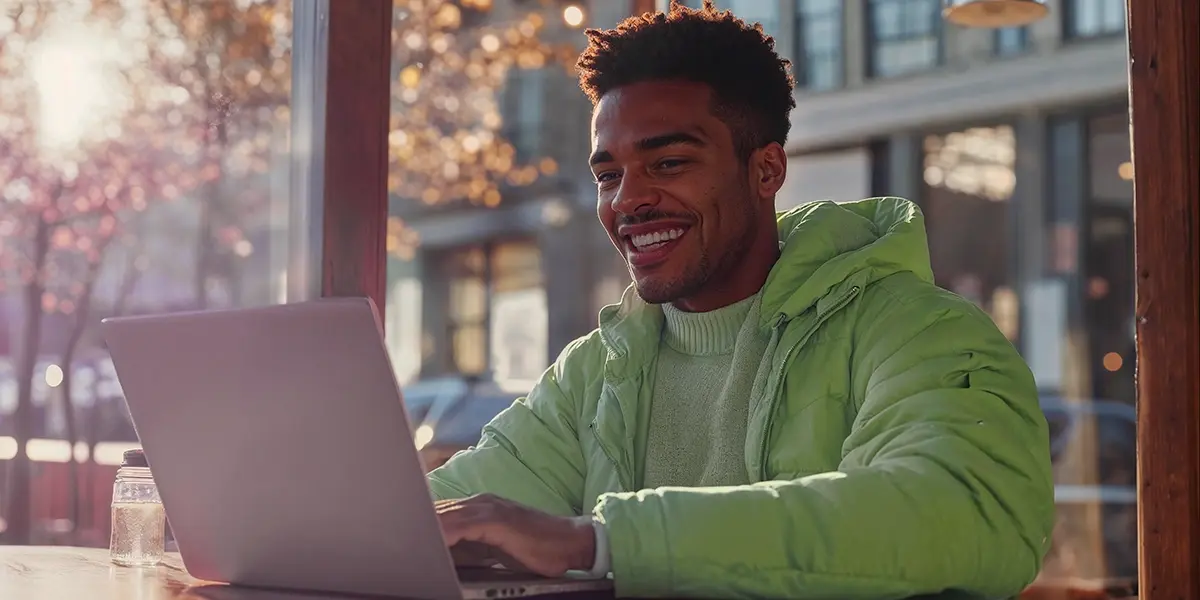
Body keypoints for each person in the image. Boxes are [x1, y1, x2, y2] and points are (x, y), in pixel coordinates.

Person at [430, 2, 1055, 598]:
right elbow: (434, 520)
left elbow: (960, 511)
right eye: (607, 175)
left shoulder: (921, 331)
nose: (626, 201)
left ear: (766, 171)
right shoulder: (595, 372)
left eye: (668, 163)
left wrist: (600, 542)